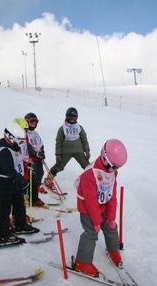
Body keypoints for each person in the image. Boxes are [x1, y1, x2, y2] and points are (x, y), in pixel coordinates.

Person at [74, 139, 127, 277]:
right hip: (87, 209)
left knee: (111, 227)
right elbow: (90, 201)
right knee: (91, 232)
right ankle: (82, 262)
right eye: (113, 166)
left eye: (117, 167)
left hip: (102, 205)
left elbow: (112, 195)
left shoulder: (112, 172)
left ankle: (113, 250)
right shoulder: (89, 174)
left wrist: (111, 218)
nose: (115, 170)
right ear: (104, 157)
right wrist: (97, 222)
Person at [0, 122, 39, 243]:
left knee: (19, 204)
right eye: (19, 140)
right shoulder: (3, 150)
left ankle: (20, 224)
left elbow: (17, 163)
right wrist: (21, 181)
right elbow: (9, 170)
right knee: (4, 209)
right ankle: (4, 234)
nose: (20, 143)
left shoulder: (13, 148)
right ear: (10, 137)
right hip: (3, 183)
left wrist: (27, 165)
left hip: (13, 182)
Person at [45, 107, 91, 190]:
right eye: (70, 116)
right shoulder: (62, 128)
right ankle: (48, 180)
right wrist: (58, 153)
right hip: (66, 151)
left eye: (74, 117)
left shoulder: (79, 127)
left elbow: (84, 139)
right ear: (66, 116)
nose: (72, 118)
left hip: (78, 150)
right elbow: (59, 141)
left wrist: (87, 150)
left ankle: (93, 182)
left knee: (86, 166)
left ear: (77, 117)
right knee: (59, 166)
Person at [22, 112, 46, 207]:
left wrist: (42, 153)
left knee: (40, 174)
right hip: (30, 159)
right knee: (33, 178)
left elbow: (41, 144)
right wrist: (35, 153)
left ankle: (33, 191)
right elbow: (26, 146)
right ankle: (32, 197)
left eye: (35, 121)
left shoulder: (36, 134)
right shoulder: (24, 133)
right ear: (27, 122)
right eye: (31, 121)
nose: (33, 123)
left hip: (38, 159)